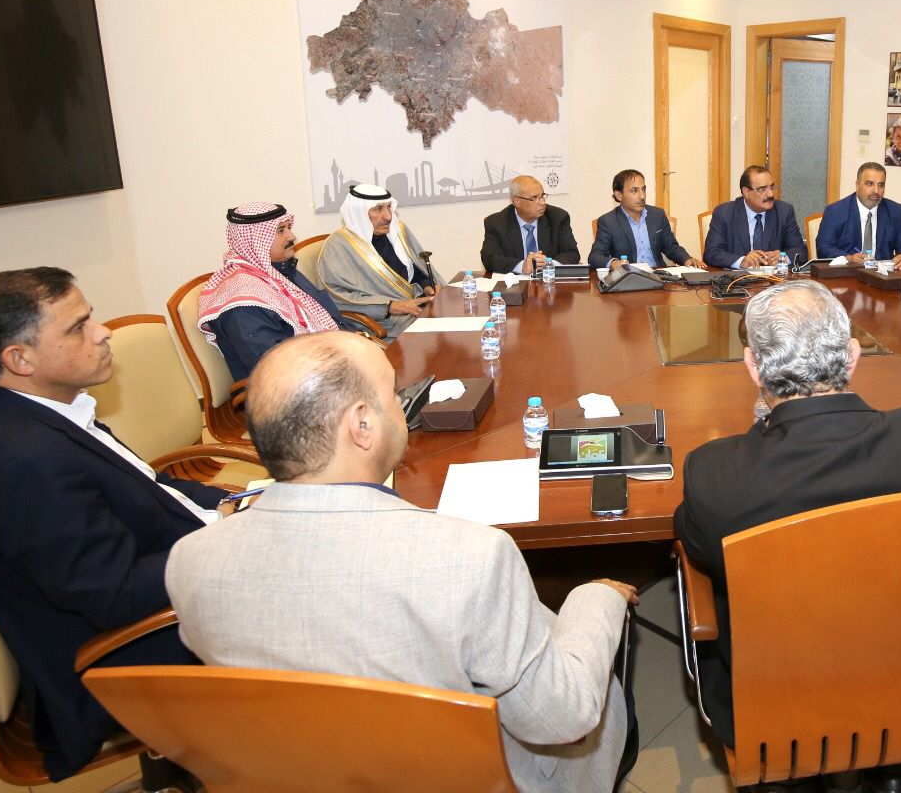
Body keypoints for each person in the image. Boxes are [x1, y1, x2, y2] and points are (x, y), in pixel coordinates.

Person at [167, 332, 638, 793]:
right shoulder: (471, 556)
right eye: (395, 395)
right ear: (361, 425)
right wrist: (595, 596)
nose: (402, 407)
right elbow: (562, 717)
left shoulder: (190, 561)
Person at [0, 269, 228, 780]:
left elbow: (148, 486)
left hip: (151, 596)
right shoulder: (22, 461)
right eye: (78, 327)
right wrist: (231, 541)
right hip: (123, 660)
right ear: (19, 360)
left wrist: (239, 502)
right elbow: (116, 597)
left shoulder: (21, 411)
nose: (103, 332)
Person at [674, 281, 901, 758]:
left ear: (752, 366)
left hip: (780, 701)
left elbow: (694, 544)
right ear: (852, 355)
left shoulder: (717, 474)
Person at [198, 202, 359, 382]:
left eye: (288, 228)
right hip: (290, 387)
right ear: (255, 239)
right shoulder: (242, 299)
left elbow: (328, 320)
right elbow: (272, 366)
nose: (292, 236)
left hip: (323, 367)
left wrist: (355, 340)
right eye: (281, 230)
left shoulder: (281, 271)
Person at [318, 184, 437, 337]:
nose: (388, 216)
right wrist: (388, 307)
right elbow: (336, 296)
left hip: (417, 308)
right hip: (383, 323)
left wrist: (427, 285)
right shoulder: (338, 246)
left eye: (389, 207)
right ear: (359, 213)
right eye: (378, 209)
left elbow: (415, 267)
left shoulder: (397, 230)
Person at [589, 169, 705, 270]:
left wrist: (686, 259)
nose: (642, 196)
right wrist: (613, 263)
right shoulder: (608, 222)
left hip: (659, 275)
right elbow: (595, 256)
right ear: (619, 195)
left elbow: (671, 247)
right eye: (634, 191)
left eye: (643, 189)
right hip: (630, 278)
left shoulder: (657, 215)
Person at [702, 165, 808, 269]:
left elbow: (800, 251)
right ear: (746, 192)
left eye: (772, 187)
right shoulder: (725, 213)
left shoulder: (784, 212)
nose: (770, 194)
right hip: (738, 279)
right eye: (762, 189)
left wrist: (783, 257)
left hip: (774, 278)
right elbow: (712, 253)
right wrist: (741, 261)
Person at [814, 162, 901, 269]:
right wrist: (848, 258)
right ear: (857, 185)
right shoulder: (835, 211)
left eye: (881, 185)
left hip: (883, 274)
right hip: (847, 272)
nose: (876, 191)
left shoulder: (896, 211)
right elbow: (823, 248)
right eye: (869, 184)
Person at [480, 175, 581, 275]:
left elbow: (572, 253)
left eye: (542, 196)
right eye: (534, 198)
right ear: (517, 201)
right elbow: (489, 258)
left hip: (548, 280)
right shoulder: (496, 223)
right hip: (515, 282)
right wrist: (522, 266)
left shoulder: (558, 217)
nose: (542, 203)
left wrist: (548, 264)